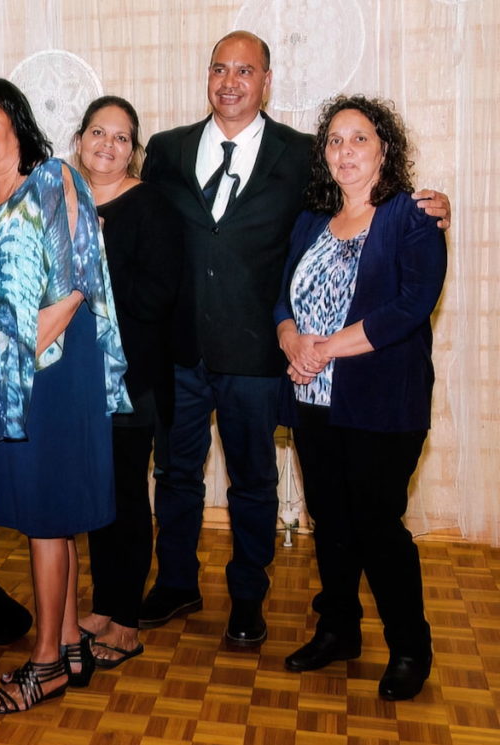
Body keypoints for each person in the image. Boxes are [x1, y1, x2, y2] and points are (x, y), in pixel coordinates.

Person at [139, 30, 452, 647]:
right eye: (219, 69)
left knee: (254, 481)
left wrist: (435, 205)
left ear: (266, 81)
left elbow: (367, 206)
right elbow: (140, 226)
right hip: (182, 351)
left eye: (245, 71)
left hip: (261, 356)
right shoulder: (167, 151)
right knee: (176, 475)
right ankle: (176, 583)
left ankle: (248, 601)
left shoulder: (305, 153)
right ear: (208, 76)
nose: (231, 82)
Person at [0, 78, 130, 714]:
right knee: (46, 515)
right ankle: (73, 639)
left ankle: (47, 661)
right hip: (9, 379)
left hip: (50, 371)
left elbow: (76, 283)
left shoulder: (54, 178)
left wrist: (13, 358)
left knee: (49, 520)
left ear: (17, 123)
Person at [275, 95, 445, 700]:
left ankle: (410, 646)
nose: (346, 151)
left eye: (360, 139)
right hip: (313, 400)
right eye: (335, 141)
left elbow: (410, 306)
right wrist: (291, 336)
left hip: (384, 403)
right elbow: (283, 296)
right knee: (333, 523)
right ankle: (339, 629)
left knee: (377, 525)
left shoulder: (413, 215)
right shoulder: (309, 221)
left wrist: (325, 348)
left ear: (384, 148)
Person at [71, 96, 182, 669]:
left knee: (128, 497)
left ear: (133, 149)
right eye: (97, 132)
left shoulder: (151, 206)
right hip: (76, 378)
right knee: (96, 493)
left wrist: (94, 271)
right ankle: (105, 604)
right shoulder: (65, 199)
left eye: (120, 136)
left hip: (131, 377)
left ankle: (129, 623)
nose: (106, 145)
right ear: (80, 139)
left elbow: (157, 297)